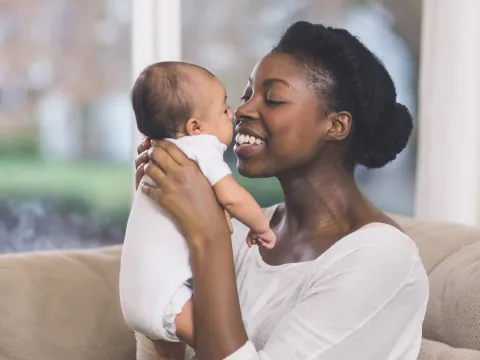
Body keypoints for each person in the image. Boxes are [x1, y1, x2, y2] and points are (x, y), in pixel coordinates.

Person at [133, 21, 429, 360]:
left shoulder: (381, 260)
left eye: (272, 99)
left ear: (336, 125)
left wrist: (208, 237)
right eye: (246, 95)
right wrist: (161, 225)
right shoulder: (243, 229)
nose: (243, 110)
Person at [120, 62, 276, 347]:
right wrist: (261, 225)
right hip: (170, 297)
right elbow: (232, 196)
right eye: (224, 109)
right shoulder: (200, 150)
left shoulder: (161, 157)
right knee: (214, 344)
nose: (235, 113)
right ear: (196, 127)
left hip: (136, 297)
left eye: (274, 98)